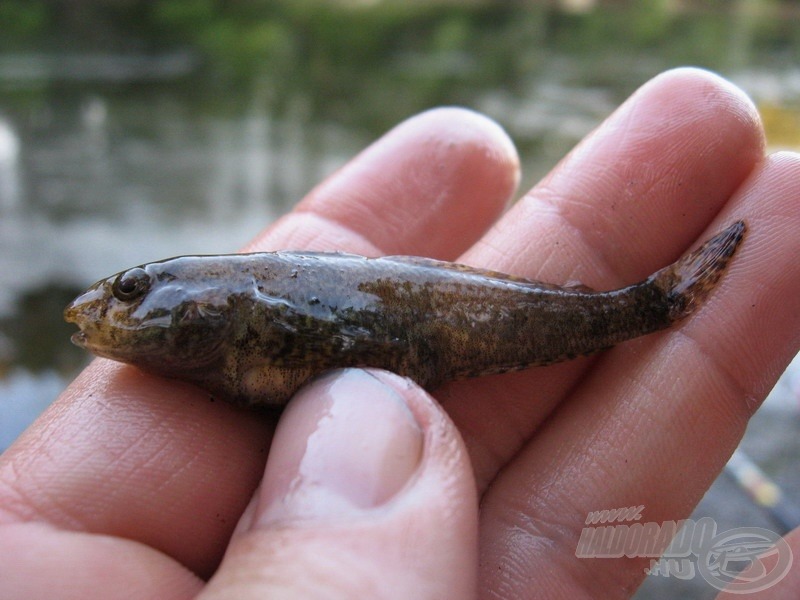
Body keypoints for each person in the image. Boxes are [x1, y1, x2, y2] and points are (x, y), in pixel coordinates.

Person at [1, 68, 798, 599]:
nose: (106, 308)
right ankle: (644, 308)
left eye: (134, 291)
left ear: (212, 303)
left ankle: (646, 308)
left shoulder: (240, 322)